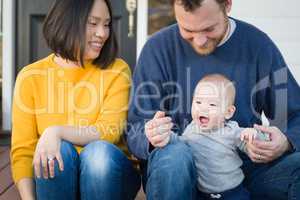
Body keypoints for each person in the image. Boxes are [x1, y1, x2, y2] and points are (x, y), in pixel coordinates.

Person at [126, 0, 300, 199]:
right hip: (178, 173)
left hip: (245, 176)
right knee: (174, 156)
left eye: (209, 29)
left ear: (227, 5)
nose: (199, 40)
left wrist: (285, 142)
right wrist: (150, 136)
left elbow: (295, 114)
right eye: (187, 29)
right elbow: (135, 127)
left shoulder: (258, 46)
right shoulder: (157, 49)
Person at [11, 0, 140, 199]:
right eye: (93, 23)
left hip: (107, 177)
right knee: (55, 152)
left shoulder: (117, 70)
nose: (102, 33)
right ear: (67, 22)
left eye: (106, 24)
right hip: (58, 179)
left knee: (98, 154)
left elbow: (109, 131)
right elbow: (23, 152)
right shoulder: (30, 77)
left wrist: (56, 131)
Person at [170, 74, 269, 200]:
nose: (203, 108)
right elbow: (180, 143)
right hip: (202, 194)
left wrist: (253, 135)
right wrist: (168, 136)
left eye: (212, 104)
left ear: (228, 112)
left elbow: (259, 145)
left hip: (233, 192)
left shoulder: (231, 130)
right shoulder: (191, 128)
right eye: (198, 102)